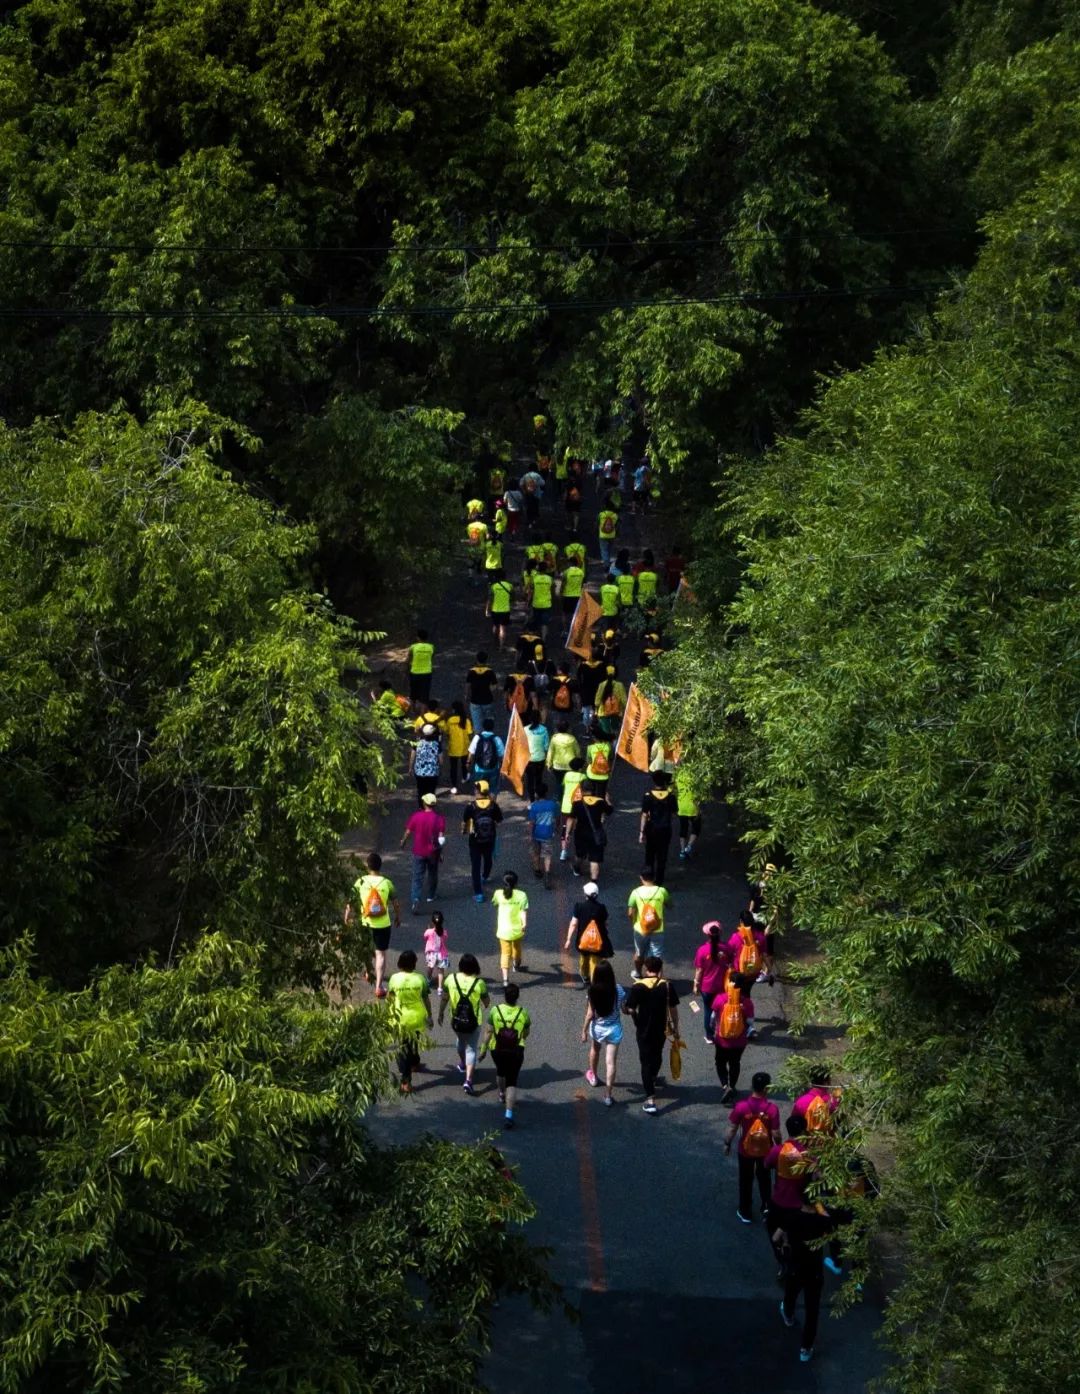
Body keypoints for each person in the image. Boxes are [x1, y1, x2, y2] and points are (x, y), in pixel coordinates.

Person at [624, 955, 679, 1115]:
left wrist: (628, 1010)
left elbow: (630, 1008)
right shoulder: (667, 986)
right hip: (661, 1029)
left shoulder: (638, 986)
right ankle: (654, 1076)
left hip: (643, 1030)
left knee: (645, 1062)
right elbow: (673, 1010)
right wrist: (675, 1028)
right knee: (657, 1055)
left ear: (646, 969)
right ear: (660, 969)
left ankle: (650, 1098)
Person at [725, 1070, 782, 1222]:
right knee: (764, 1180)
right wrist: (779, 1146)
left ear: (752, 1087)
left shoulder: (741, 1107)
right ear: (766, 1089)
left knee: (745, 1180)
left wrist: (727, 1143)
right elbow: (776, 1133)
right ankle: (766, 1207)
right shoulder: (772, 1109)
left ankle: (745, 1211)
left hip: (745, 1151)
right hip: (765, 1151)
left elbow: (732, 1128)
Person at [345, 852, 401, 999]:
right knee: (380, 954)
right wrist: (397, 917)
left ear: (367, 866)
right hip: (383, 924)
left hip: (366, 922)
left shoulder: (360, 882)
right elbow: (396, 903)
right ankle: (379, 986)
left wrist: (347, 917)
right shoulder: (387, 883)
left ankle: (368, 972)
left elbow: (350, 902)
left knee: (367, 949)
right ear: (380, 866)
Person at [481, 982, 531, 1129]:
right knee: (512, 1081)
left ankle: (501, 1093)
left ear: (505, 996)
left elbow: (488, 1031)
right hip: (516, 1051)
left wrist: (483, 1049)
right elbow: (526, 1032)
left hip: (497, 1049)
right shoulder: (523, 1013)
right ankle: (508, 1114)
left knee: (500, 1072)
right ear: (517, 997)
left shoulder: (495, 1011)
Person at [439, 954, 490, 1095]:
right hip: (473, 1021)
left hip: (456, 1020)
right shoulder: (479, 983)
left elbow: (444, 998)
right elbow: (486, 1003)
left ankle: (463, 1063)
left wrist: (440, 1013)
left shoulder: (451, 979)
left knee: (461, 1041)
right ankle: (468, 1080)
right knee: (472, 1049)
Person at [386, 950, 432, 1094]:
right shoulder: (420, 979)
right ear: (414, 963)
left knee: (402, 1048)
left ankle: (406, 1080)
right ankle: (414, 1062)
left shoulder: (394, 979)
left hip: (399, 1018)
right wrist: (430, 1016)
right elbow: (426, 999)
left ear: (400, 963)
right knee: (413, 1042)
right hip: (416, 1018)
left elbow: (390, 997)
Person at [778, 1224, 825, 1364]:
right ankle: (805, 1348)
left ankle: (788, 1315)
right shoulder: (821, 1218)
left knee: (791, 1292)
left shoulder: (793, 1216)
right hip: (814, 1271)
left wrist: (784, 1244)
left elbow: (776, 1236)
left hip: (796, 1266)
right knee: (812, 1311)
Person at [581, 959, 625, 1106]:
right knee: (611, 1062)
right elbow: (624, 1009)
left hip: (598, 1028)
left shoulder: (592, 991)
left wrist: (584, 1030)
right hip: (614, 1029)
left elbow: (589, 1014)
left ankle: (593, 1076)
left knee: (595, 1050)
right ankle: (608, 1095)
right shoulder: (618, 989)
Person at [400, 792, 446, 912]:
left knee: (417, 877)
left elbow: (408, 832)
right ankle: (431, 896)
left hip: (419, 851)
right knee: (432, 873)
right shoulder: (439, 819)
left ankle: (415, 899)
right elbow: (440, 838)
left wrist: (403, 841)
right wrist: (440, 853)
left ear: (424, 803)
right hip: (433, 852)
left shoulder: (416, 816)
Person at [712, 977, 754, 1103]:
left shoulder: (720, 998)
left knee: (720, 1062)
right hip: (739, 1041)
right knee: (735, 1063)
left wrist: (713, 1030)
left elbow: (713, 1018)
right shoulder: (747, 1002)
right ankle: (732, 1086)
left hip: (722, 1040)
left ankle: (725, 1086)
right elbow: (750, 1022)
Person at [565, 881, 614, 984]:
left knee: (584, 958)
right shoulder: (602, 908)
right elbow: (606, 923)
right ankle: (594, 980)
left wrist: (568, 939)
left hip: (583, 940)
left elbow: (573, 924)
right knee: (595, 961)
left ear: (585, 894)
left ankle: (585, 975)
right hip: (597, 940)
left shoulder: (579, 906)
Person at [462, 780, 502, 902]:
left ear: (478, 791)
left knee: (475, 864)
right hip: (490, 838)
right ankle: (485, 876)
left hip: (475, 839)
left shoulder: (471, 806)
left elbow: (465, 820)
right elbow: (499, 820)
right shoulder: (493, 805)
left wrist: (464, 831)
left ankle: (479, 893)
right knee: (488, 858)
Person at [692, 921, 732, 1043]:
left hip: (707, 987)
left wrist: (696, 985)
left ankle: (709, 1036)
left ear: (707, 935)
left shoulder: (702, 950)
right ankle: (722, 1032)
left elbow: (699, 970)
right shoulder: (726, 948)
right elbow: (731, 962)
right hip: (723, 986)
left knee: (708, 1010)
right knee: (721, 1010)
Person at [567, 780, 613, 882]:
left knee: (580, 854)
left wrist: (568, 833)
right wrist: (607, 799)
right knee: (594, 859)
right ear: (593, 789)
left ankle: (577, 868)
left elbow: (571, 819)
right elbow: (610, 811)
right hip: (596, 833)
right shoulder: (600, 802)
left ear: (581, 790)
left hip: (581, 833)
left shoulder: (577, 803)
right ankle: (594, 882)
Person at [627, 869, 670, 977]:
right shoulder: (662, 891)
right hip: (657, 928)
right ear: (654, 878)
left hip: (640, 929)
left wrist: (634, 922)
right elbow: (669, 904)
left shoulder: (635, 892)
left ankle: (637, 972)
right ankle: (658, 980)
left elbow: (630, 912)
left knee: (639, 953)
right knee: (657, 956)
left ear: (641, 877)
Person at [491, 871, 528, 984]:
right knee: (516, 947)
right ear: (516, 883)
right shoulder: (522, 895)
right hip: (517, 929)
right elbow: (523, 911)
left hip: (503, 930)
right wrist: (524, 923)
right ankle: (516, 964)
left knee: (505, 953)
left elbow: (495, 903)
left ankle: (505, 979)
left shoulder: (498, 893)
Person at [639, 771, 676, 883]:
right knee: (662, 855)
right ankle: (660, 881)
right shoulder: (671, 796)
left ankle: (648, 878)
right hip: (665, 829)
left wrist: (641, 832)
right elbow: (674, 813)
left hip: (651, 829)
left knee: (649, 854)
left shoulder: (648, 796)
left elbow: (644, 815)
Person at [527, 781, 559, 888]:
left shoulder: (534, 807)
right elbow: (557, 817)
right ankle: (547, 873)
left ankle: (537, 870)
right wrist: (557, 827)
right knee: (547, 854)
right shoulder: (552, 805)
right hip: (548, 833)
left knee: (536, 852)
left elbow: (532, 823)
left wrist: (530, 835)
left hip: (536, 834)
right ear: (546, 793)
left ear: (536, 794)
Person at [791, 1066, 840, 1133]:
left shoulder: (801, 1101)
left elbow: (793, 1125)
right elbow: (838, 1124)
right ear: (827, 1082)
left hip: (804, 1141)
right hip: (826, 1142)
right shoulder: (833, 1102)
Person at [559, 756, 587, 859]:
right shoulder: (583, 777)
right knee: (577, 829)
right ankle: (578, 852)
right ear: (580, 768)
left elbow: (563, 785)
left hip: (566, 805)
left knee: (565, 829)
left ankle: (563, 851)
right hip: (577, 805)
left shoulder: (567, 775)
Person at [465, 651, 498, 736]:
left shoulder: (471, 671)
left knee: (477, 726)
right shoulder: (490, 672)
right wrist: (493, 695)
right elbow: (495, 686)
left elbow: (468, 686)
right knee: (488, 723)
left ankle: (477, 743)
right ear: (486, 660)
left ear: (477, 659)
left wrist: (466, 696)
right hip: (487, 700)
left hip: (475, 701)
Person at [409, 722, 442, 805]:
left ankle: (421, 807)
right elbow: (441, 760)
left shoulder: (417, 743)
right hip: (433, 772)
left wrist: (410, 768)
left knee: (421, 790)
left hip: (420, 772)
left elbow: (412, 756)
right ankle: (430, 807)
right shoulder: (437, 744)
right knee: (431, 791)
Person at [546, 718, 580, 796]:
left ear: (557, 729)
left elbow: (550, 752)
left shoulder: (554, 739)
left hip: (557, 766)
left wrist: (549, 764)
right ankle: (569, 798)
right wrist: (578, 764)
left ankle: (560, 799)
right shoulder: (573, 739)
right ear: (568, 729)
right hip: (570, 765)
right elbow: (577, 752)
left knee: (559, 782)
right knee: (569, 783)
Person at [468, 720, 504, 794]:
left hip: (479, 769)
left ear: (483, 727)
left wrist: (468, 763)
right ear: (493, 727)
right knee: (493, 790)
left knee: (478, 788)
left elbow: (471, 752)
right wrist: (503, 769)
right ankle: (492, 805)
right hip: (493, 768)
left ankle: (479, 804)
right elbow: (502, 755)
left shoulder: (477, 737)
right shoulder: (497, 738)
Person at [444, 701, 472, 794]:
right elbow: (469, 733)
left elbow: (446, 732)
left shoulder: (450, 720)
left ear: (453, 710)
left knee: (453, 767)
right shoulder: (466, 720)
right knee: (464, 764)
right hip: (464, 746)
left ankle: (454, 786)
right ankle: (464, 777)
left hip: (453, 747)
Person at [676, 765, 701, 859]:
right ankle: (689, 846)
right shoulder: (694, 776)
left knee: (683, 829)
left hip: (681, 806)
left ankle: (682, 851)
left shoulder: (678, 776)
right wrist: (698, 808)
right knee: (696, 828)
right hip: (693, 806)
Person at [523, 712, 550, 800]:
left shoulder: (525, 729)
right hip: (540, 759)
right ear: (539, 719)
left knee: (530, 780)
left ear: (530, 719)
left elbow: (522, 745)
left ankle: (532, 800)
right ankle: (539, 797)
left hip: (529, 759)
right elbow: (546, 746)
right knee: (538, 779)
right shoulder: (544, 729)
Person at [576, 650, 606, 730]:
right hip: (597, 689)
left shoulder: (583, 666)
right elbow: (604, 678)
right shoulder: (601, 665)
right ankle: (596, 724)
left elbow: (578, 677)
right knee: (597, 708)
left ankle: (587, 727)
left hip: (586, 690)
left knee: (586, 710)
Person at [407, 629, 435, 711]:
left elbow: (409, 659)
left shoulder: (413, 647)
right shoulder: (431, 647)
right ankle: (423, 714)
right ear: (427, 638)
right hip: (427, 673)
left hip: (415, 672)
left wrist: (409, 665)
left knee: (413, 692)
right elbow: (431, 657)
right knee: (425, 694)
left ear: (417, 638)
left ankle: (413, 710)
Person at [594, 667, 626, 738]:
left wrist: (596, 711)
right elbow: (624, 701)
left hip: (603, 713)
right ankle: (615, 747)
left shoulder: (602, 685)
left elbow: (597, 701)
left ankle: (608, 747)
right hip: (616, 713)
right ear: (616, 674)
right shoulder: (619, 685)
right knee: (615, 732)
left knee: (606, 733)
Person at [423, 910, 450, 994]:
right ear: (442, 921)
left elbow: (425, 937)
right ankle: (440, 988)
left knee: (430, 968)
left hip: (432, 954)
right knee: (440, 971)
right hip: (441, 955)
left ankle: (428, 980)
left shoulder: (429, 931)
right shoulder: (444, 932)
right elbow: (445, 938)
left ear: (432, 921)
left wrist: (428, 929)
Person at [487, 576, 514, 649]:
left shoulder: (493, 586)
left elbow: (490, 599)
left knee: (495, 626)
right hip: (505, 610)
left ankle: (495, 641)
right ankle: (501, 646)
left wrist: (487, 610)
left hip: (495, 610)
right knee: (503, 628)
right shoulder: (510, 586)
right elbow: (512, 598)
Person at [597, 499, 619, 564]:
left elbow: (598, 521)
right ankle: (608, 561)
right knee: (609, 549)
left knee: (604, 550)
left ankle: (606, 564)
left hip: (602, 535)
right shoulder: (615, 515)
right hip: (612, 534)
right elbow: (617, 524)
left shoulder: (601, 514)